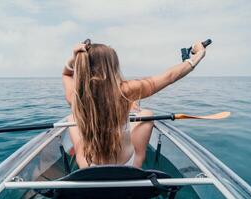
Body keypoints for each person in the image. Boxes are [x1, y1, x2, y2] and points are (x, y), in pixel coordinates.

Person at [62, 39, 206, 168]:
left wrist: (73, 59)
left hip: (88, 166)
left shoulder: (75, 96)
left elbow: (66, 74)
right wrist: (198, 54)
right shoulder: (126, 91)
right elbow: (169, 77)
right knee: (146, 114)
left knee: (72, 118)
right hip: (129, 164)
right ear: (112, 66)